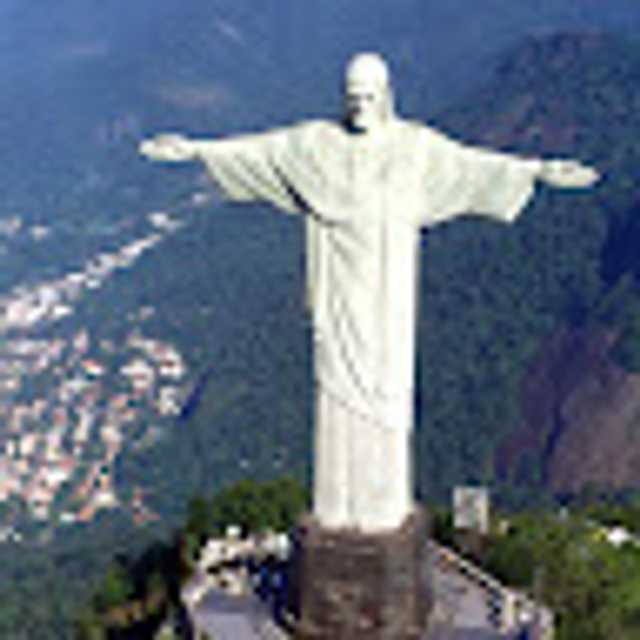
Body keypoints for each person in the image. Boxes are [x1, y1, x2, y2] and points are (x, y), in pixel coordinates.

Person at [140, 53, 599, 532]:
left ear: (386, 97)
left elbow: (473, 167)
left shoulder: (415, 148)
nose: (359, 106)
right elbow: (260, 151)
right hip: (339, 293)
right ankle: (336, 508)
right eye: (352, 97)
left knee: (386, 394)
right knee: (336, 391)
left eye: (368, 97)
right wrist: (196, 150)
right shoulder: (317, 145)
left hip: (388, 297)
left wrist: (537, 171)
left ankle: (381, 509)